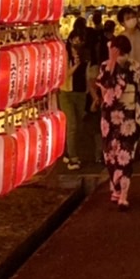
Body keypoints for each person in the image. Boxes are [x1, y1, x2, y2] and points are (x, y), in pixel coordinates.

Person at [96, 35, 140, 210]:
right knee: (112, 154)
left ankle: (122, 192)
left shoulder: (134, 66)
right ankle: (118, 189)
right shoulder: (106, 65)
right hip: (113, 115)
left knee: (121, 154)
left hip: (126, 115)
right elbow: (104, 85)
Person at [59, 22, 90, 170]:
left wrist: (90, 92)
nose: (78, 43)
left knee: (79, 125)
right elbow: (64, 76)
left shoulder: (85, 54)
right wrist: (76, 64)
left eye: (81, 40)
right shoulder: (64, 54)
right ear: (70, 40)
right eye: (76, 40)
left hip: (80, 92)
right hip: (66, 92)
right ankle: (73, 158)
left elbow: (88, 74)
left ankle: (68, 152)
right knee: (72, 125)